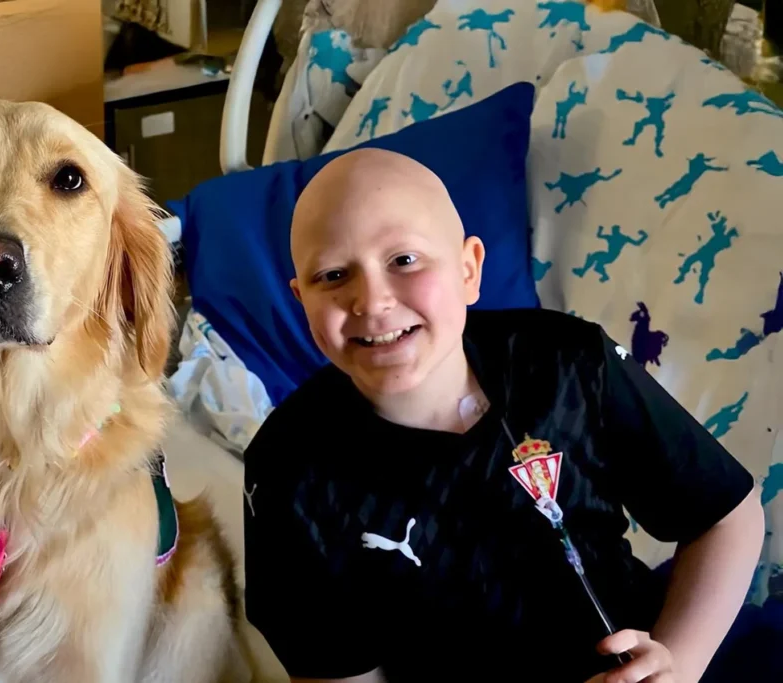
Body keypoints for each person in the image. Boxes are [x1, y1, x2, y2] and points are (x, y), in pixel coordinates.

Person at [243, 148, 765, 683]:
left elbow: (725, 515)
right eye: (332, 275)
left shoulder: (568, 364)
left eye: (404, 260)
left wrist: (680, 664)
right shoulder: (287, 469)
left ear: (469, 270)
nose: (371, 301)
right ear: (300, 297)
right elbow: (334, 670)